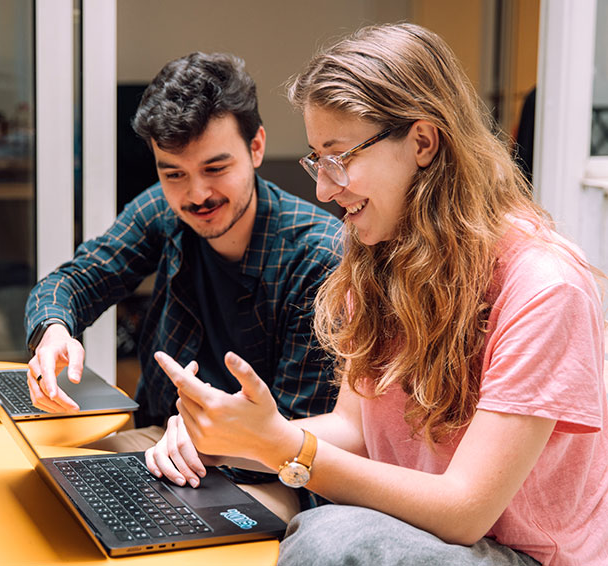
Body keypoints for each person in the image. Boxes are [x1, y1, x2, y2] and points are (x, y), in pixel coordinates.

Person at [153, 24, 608, 566]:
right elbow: (355, 429)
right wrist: (236, 436)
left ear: (422, 142)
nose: (323, 189)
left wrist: (283, 447)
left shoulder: (544, 286)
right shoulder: (379, 255)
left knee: (329, 537)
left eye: (338, 157)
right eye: (316, 160)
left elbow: (465, 511)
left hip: (518, 554)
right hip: (418, 531)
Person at [24, 52, 342, 522]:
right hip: (163, 441)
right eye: (173, 173)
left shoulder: (317, 257)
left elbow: (300, 432)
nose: (195, 195)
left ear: (256, 147)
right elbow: (76, 279)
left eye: (216, 168)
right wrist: (53, 330)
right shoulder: (165, 210)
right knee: (43, 487)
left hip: (265, 468)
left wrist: (212, 443)